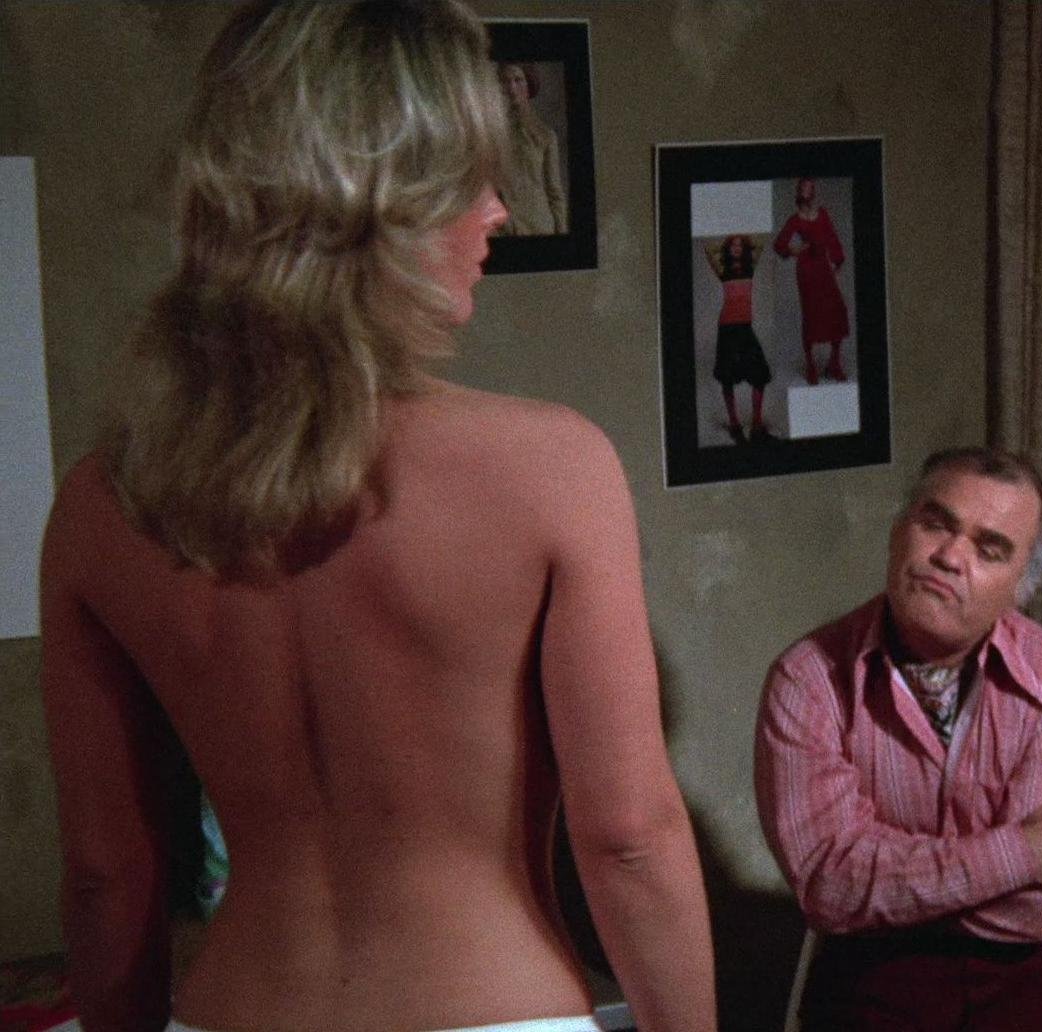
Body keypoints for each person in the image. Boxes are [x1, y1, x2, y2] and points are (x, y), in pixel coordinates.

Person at [37, 3, 716, 1031]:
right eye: (469, 181)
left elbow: (105, 875)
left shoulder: (102, 508)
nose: (498, 213)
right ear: (380, 207)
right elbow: (628, 839)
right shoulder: (552, 470)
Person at [755, 447, 1042, 1032]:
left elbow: (1035, 913)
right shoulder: (807, 679)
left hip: (1026, 976)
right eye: (936, 523)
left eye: (989, 549)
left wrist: (887, 888)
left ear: (1021, 586)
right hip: (873, 977)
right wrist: (1026, 853)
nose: (949, 557)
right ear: (899, 531)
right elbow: (830, 888)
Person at [772, 177, 851, 385]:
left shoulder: (822, 214)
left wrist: (838, 260)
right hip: (806, 270)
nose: (807, 191)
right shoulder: (795, 220)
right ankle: (811, 366)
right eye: (804, 187)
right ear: (799, 191)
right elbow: (779, 244)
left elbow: (832, 237)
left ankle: (834, 363)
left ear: (813, 191)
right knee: (811, 316)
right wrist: (794, 250)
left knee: (837, 310)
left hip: (823, 267)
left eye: (810, 187)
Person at [704, 233, 773, 443]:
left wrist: (743, 239)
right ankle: (735, 425)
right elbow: (709, 249)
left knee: (759, 374)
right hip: (727, 328)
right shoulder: (723, 270)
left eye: (740, 245)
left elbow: (760, 244)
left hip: (745, 327)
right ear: (728, 248)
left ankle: (756, 426)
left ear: (744, 248)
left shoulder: (750, 266)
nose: (736, 248)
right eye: (732, 245)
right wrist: (728, 242)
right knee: (727, 376)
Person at [496, 62, 567, 236]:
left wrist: (561, 235)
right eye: (506, 81)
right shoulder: (492, 136)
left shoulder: (545, 135)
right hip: (505, 228)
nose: (512, 87)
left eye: (518, 80)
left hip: (540, 227)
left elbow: (554, 192)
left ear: (528, 86)